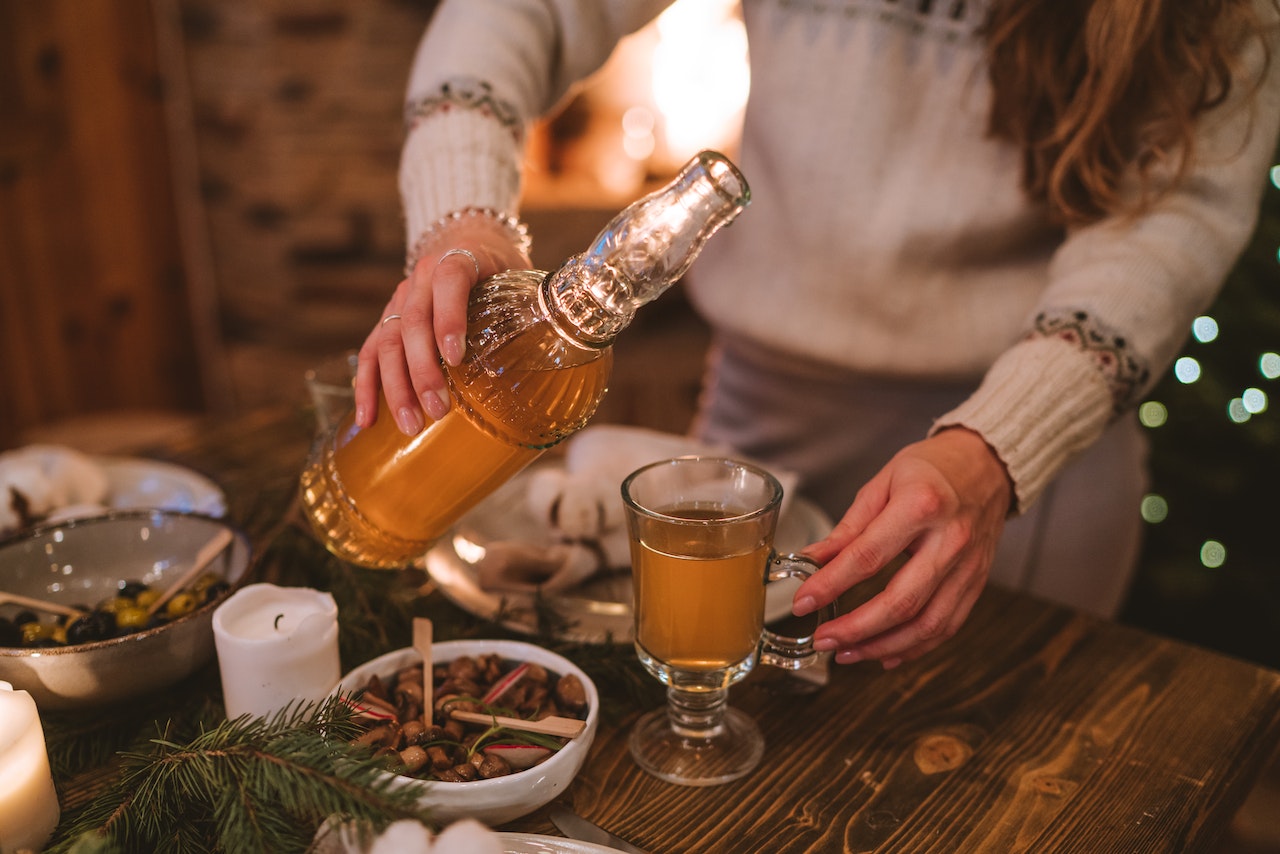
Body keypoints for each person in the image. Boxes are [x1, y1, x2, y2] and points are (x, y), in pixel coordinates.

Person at [354, 0, 1280, 670]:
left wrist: (997, 448)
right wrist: (461, 219)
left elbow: (1174, 221)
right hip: (757, 427)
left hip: (1025, 472)